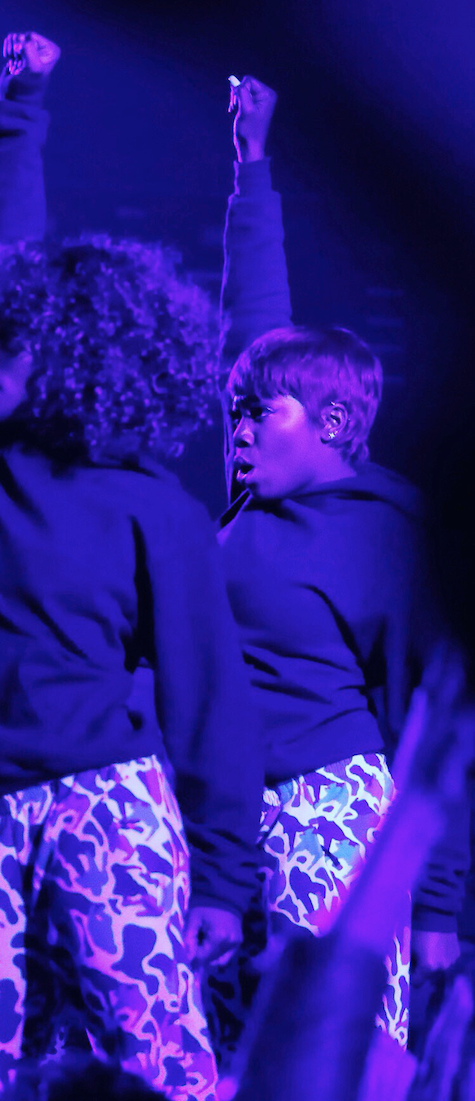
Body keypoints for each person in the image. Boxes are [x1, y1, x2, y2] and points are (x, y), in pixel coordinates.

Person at [0, 33, 257, 1100]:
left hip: (107, 812)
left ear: (65, 352)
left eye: (6, 341)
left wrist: (226, 881)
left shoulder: (155, 505)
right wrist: (18, 107)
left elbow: (208, 694)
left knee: (157, 1070)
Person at [203, 74, 464, 1059]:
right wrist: (251, 168)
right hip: (228, 825)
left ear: (338, 426)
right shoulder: (247, 505)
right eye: (234, 411)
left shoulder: (387, 536)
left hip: (332, 821)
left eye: (258, 413)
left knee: (325, 1055)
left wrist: (438, 907)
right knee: (227, 1059)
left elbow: (429, 728)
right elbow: (252, 320)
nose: (233, 431)